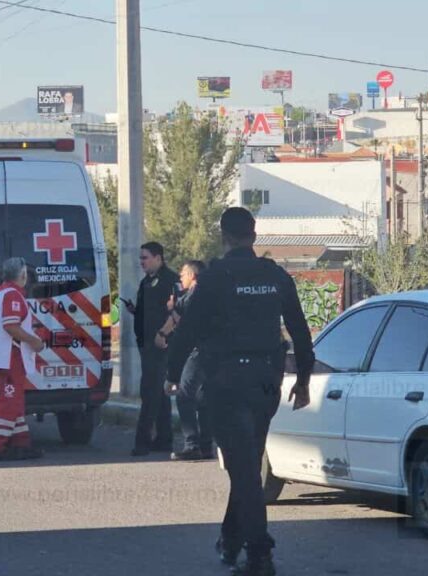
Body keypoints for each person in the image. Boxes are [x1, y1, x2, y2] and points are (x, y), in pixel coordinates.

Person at [165, 208, 314, 576]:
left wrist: (172, 374)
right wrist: (304, 380)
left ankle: (259, 554)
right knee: (247, 464)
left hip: (226, 382)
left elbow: (186, 332)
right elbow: (300, 329)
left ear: (224, 235)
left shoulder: (215, 278)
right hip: (266, 382)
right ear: (254, 233)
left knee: (244, 468)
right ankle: (231, 542)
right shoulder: (275, 276)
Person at [0, 257, 46, 462]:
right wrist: (34, 341)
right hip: (10, 356)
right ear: (23, 275)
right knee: (8, 403)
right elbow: (11, 326)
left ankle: (21, 443)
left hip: (0, 355)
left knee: (15, 401)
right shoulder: (13, 295)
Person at [155, 260, 214, 461]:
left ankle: (192, 445)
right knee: (202, 397)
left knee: (184, 394)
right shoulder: (198, 294)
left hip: (200, 351)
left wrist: (172, 374)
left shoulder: (195, 296)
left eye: (183, 274)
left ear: (192, 276)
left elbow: (185, 324)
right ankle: (206, 445)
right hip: (211, 351)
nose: (180, 278)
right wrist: (163, 332)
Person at [125, 242, 178, 457]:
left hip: (162, 345)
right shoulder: (146, 282)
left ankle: (142, 442)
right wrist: (134, 311)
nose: (141, 262)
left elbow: (175, 312)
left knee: (150, 392)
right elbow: (148, 311)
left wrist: (163, 333)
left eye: (145, 258)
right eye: (140, 258)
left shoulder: (170, 281)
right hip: (146, 344)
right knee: (159, 394)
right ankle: (164, 439)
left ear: (158, 257)